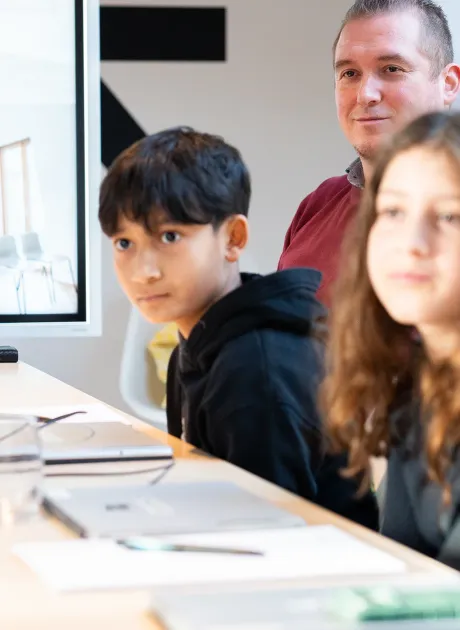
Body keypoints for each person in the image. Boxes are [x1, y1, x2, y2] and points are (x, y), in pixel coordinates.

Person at [98, 126, 378, 528]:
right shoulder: (197, 344)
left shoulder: (254, 369)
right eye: (124, 243)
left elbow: (263, 536)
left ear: (233, 237)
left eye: (170, 236)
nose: (144, 271)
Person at [323, 110, 460, 568]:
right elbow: (404, 562)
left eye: (449, 215)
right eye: (394, 212)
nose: (411, 242)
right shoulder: (419, 378)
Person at [279, 0, 460, 305]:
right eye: (350, 73)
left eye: (392, 69)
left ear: (449, 84)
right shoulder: (317, 204)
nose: (366, 95)